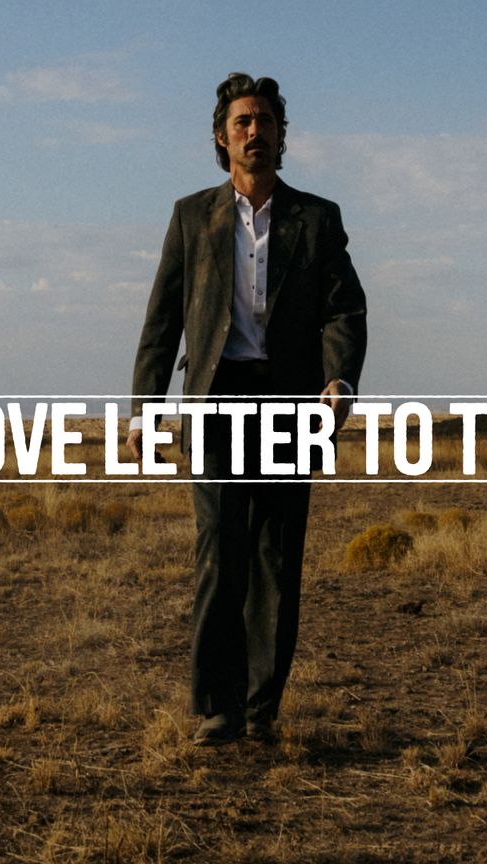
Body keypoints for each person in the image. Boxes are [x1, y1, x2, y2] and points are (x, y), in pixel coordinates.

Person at [127, 72, 367, 745]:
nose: (255, 131)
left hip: (292, 403)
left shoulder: (317, 219)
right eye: (243, 122)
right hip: (216, 400)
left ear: (281, 134)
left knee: (276, 559)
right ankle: (217, 707)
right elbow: (162, 320)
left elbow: (344, 309)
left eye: (265, 121)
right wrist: (145, 408)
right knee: (218, 550)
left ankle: (261, 710)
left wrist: (339, 380)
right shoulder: (191, 217)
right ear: (221, 137)